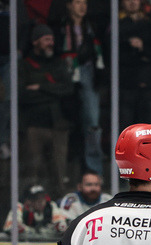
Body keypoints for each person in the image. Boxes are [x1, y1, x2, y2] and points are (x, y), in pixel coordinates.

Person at [20, 22, 74, 194]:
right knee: (33, 171)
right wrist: (54, 91)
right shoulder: (25, 65)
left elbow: (68, 89)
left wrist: (40, 87)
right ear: (35, 42)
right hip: (33, 125)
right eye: (46, 39)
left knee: (59, 171)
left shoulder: (58, 63)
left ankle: (58, 204)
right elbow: (23, 95)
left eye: (52, 39)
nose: (51, 43)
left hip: (58, 124)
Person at [54, 0, 105, 174]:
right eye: (77, 2)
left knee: (92, 122)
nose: (82, 6)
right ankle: (70, 170)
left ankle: (94, 170)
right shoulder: (60, 27)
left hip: (89, 72)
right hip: (66, 74)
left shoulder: (92, 26)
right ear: (68, 5)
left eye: (84, 3)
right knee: (70, 123)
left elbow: (101, 50)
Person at [118, 0, 151, 128]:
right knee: (127, 128)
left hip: (147, 84)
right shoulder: (116, 24)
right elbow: (113, 53)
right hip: (126, 84)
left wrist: (143, 47)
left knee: (148, 129)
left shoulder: (149, 24)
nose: (132, 2)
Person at [3, 184, 69, 240]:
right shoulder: (21, 208)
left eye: (42, 197)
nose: (40, 201)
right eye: (36, 198)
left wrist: (57, 227)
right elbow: (11, 228)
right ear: (29, 201)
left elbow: (62, 227)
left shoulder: (51, 206)